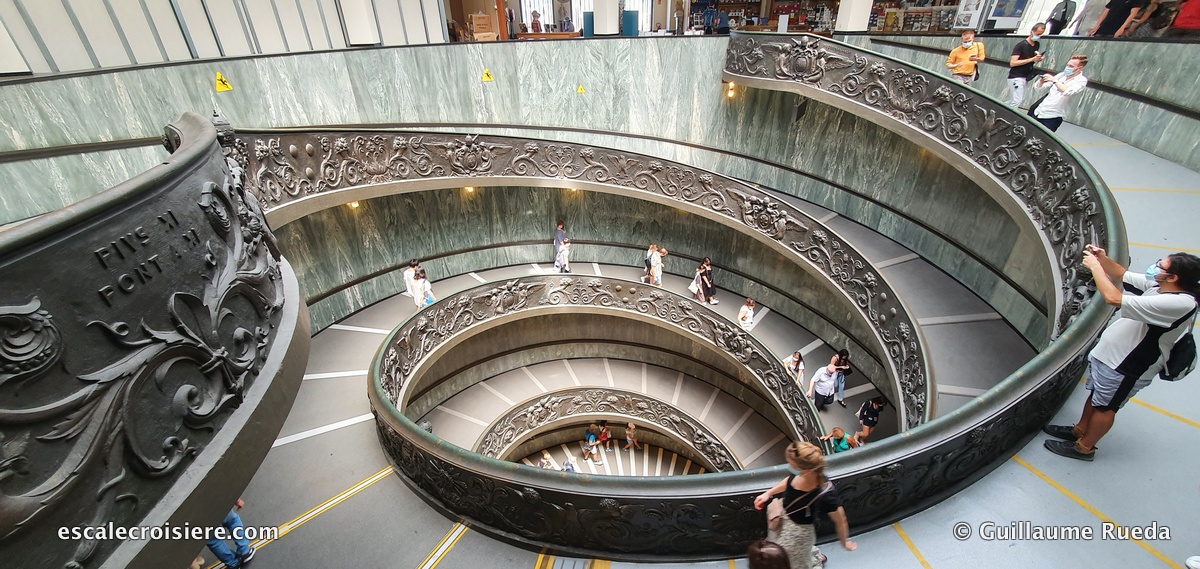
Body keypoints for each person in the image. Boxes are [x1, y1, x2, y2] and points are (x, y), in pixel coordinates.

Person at [1043, 248, 1199, 461]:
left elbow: (1113, 297)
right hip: (1110, 357)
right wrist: (1103, 259)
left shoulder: (1179, 303)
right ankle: (1079, 430)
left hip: (1127, 366)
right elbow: (1122, 275)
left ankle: (1084, 447)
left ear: (1173, 277)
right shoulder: (1161, 286)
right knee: (1097, 395)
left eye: (1160, 266)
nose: (1155, 267)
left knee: (1106, 407)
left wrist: (1096, 268)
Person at [754, 442, 856, 569]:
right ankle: (813, 555)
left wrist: (845, 542)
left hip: (799, 532)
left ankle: (814, 561)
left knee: (794, 563)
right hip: (783, 518)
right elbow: (789, 480)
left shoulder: (825, 493)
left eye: (792, 464)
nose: (789, 466)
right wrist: (768, 493)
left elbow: (840, 520)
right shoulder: (801, 473)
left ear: (805, 469)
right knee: (777, 548)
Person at [1029, 55, 1089, 132]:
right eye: (1067, 65)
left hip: (1053, 116)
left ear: (1079, 68)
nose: (1067, 67)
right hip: (1039, 111)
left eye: (1071, 66)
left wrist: (1055, 80)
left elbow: (1068, 92)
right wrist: (1041, 82)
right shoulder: (1061, 75)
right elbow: (1039, 88)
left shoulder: (1081, 80)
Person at [206, 498, 256, 568]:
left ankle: (233, 563)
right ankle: (244, 550)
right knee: (232, 521)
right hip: (215, 503)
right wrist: (236, 500)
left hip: (197, 515)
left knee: (212, 540)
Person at [1005, 24, 1045, 107]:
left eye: (1040, 34)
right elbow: (1013, 63)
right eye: (1037, 34)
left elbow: (1033, 56)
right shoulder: (1021, 45)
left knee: (1015, 99)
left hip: (1026, 76)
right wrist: (1032, 59)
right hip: (1016, 76)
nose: (1038, 36)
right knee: (1017, 101)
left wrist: (1038, 57)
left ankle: (997, 110)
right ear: (1031, 31)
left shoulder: (1036, 44)